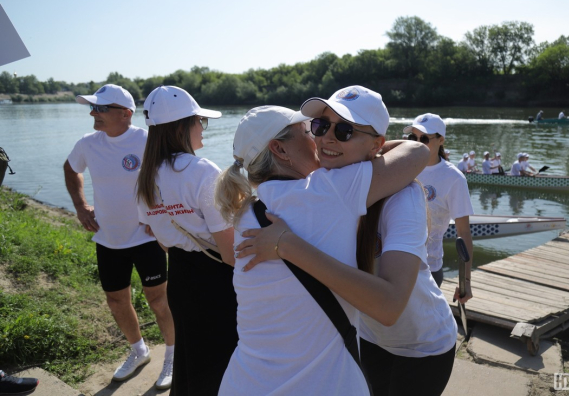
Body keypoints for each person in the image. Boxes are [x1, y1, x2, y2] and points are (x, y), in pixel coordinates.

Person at [215, 86, 429, 395]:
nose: (321, 138)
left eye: (342, 131)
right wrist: (373, 148)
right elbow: (417, 152)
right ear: (280, 150)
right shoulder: (328, 190)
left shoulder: (247, 211)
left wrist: (370, 147)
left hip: (244, 381)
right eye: (314, 128)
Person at [63, 84, 174, 389]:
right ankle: (139, 351)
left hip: (146, 238)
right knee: (116, 301)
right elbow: (71, 169)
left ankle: (172, 356)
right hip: (108, 239)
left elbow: (171, 176)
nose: (93, 113)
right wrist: (80, 206)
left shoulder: (147, 140)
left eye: (101, 108)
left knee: (158, 301)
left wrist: (160, 214)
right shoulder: (87, 143)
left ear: (126, 114)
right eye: (93, 107)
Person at [135, 86, 237, 395]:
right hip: (216, 281)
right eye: (199, 121)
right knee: (222, 363)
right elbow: (230, 254)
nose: (203, 128)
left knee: (190, 358)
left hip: (180, 277)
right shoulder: (201, 171)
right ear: (182, 127)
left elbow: (163, 241)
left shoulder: (145, 176)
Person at [404, 113, 474, 289]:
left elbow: (464, 232)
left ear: (441, 140)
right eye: (413, 138)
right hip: (396, 264)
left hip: (428, 269)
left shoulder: (454, 178)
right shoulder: (402, 165)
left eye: (424, 138)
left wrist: (465, 281)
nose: (418, 143)